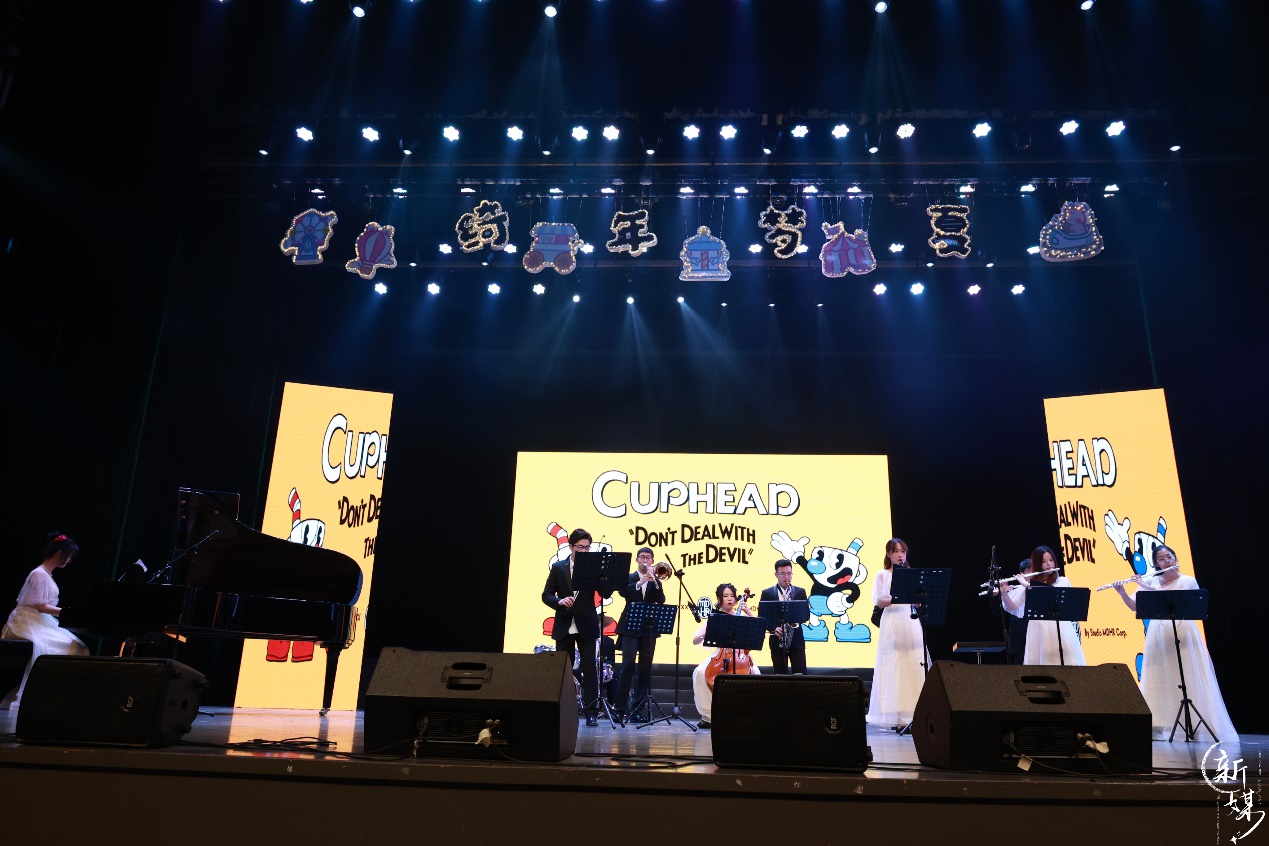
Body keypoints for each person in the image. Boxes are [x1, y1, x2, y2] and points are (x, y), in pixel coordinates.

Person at [1113, 545, 1237, 743]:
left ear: (1175, 558)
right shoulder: (1151, 581)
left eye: (1169, 557)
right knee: (1161, 677)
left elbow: (1195, 608)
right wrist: (1122, 593)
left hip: (1184, 632)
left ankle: (1195, 725)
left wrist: (1147, 587)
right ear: (1156, 563)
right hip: (1159, 634)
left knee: (1187, 674)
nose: (1166, 561)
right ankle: (1163, 726)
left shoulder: (1188, 581)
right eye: (1161, 559)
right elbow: (1135, 607)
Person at [2, 532, 90, 710]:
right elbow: (40, 606)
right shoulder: (39, 574)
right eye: (69, 556)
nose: (70, 561)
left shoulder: (46, 574)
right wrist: (66, 613)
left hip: (37, 618)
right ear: (60, 553)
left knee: (78, 646)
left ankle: (58, 694)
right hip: (26, 620)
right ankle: (47, 696)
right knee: (70, 646)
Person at [866, 538, 931, 730]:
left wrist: (919, 597)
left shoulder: (911, 573)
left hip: (909, 619)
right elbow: (879, 601)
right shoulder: (882, 575)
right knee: (895, 664)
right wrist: (897, 596)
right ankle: (898, 716)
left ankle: (917, 713)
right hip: (893, 619)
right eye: (896, 551)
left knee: (914, 661)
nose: (900, 555)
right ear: (888, 554)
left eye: (903, 551)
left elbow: (917, 603)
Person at [542, 529, 601, 726]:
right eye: (580, 547)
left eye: (587, 548)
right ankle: (563, 710)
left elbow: (607, 592)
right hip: (564, 625)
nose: (584, 551)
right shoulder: (559, 567)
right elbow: (546, 594)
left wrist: (603, 576)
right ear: (571, 547)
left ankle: (591, 712)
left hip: (586, 625)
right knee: (563, 671)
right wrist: (559, 601)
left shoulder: (593, 568)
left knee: (589, 669)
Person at [1002, 545, 1086, 666]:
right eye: (1044, 561)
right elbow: (1013, 607)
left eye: (1051, 560)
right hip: (1037, 629)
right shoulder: (1030, 585)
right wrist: (1004, 593)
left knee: (1065, 662)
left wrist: (1027, 585)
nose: (1049, 564)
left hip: (1059, 627)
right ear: (1037, 564)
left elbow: (1050, 594)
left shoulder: (1062, 581)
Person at [690, 584, 759, 729]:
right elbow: (695, 640)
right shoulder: (715, 617)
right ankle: (709, 716)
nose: (729, 599)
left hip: (741, 655)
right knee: (700, 672)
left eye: (732, 596)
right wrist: (707, 631)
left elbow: (758, 632)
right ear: (719, 599)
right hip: (720, 654)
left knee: (756, 674)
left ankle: (749, 715)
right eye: (725, 596)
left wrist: (749, 613)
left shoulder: (742, 616)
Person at [613, 547, 666, 723]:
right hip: (630, 627)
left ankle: (637, 709)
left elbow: (661, 600)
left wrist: (655, 581)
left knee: (645, 668)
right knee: (627, 666)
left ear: (652, 561)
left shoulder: (656, 579)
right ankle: (620, 709)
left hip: (648, 628)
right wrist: (640, 582)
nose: (645, 560)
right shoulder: (630, 577)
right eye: (642, 557)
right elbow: (623, 592)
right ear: (637, 560)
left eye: (648, 558)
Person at [760, 559, 808, 674]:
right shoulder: (767, 593)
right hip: (777, 640)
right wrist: (773, 628)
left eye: (789, 574)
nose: (786, 577)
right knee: (780, 675)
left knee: (800, 675)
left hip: (796, 640)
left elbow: (806, 615)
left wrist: (795, 620)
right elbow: (762, 617)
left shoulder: (800, 592)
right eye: (782, 574)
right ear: (776, 574)